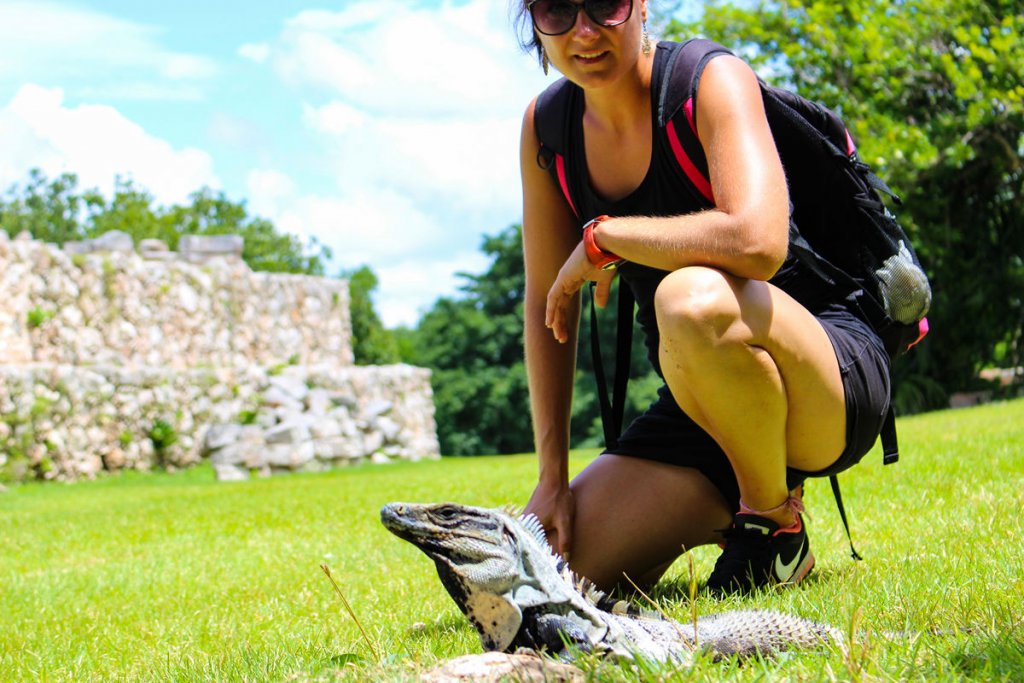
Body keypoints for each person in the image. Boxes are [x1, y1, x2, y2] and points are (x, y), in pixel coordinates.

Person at [514, 0, 892, 595]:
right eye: (557, 9)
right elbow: (547, 306)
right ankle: (735, 502)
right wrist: (551, 478)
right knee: (549, 580)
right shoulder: (548, 129)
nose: (583, 30)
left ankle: (772, 529)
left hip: (823, 374)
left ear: (639, 5)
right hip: (706, 406)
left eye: (603, 5)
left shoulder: (706, 80)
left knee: (687, 299)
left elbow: (757, 241)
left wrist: (608, 237)